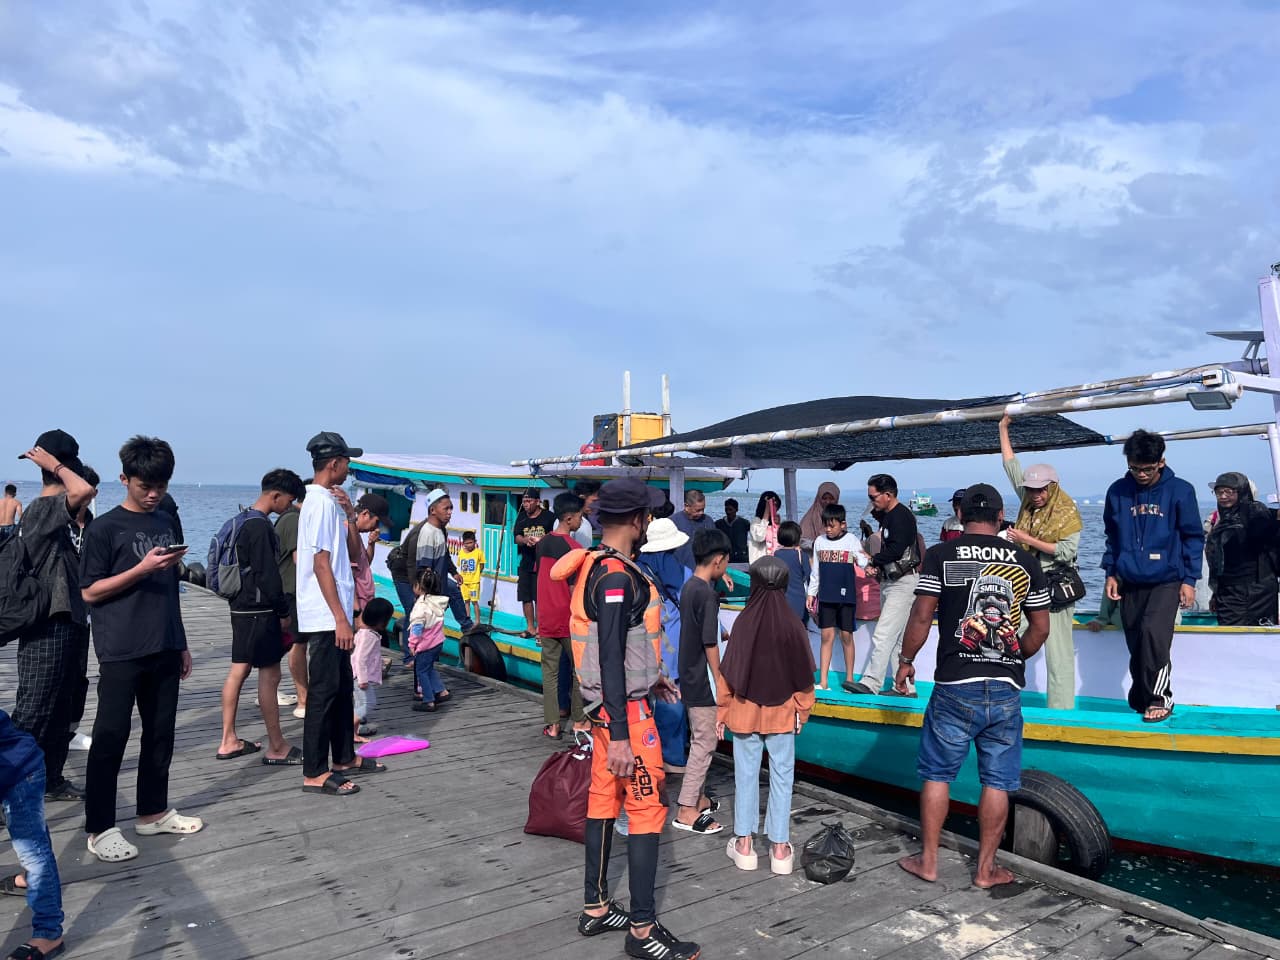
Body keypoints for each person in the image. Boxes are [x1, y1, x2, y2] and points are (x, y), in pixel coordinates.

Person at [550, 478, 698, 960]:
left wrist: (652, 678)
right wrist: (619, 734)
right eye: (648, 515)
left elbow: (616, 648)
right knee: (647, 809)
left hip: (606, 712)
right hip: (625, 721)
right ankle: (642, 929)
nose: (650, 521)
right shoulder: (617, 577)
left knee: (602, 800)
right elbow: (610, 654)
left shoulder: (597, 564)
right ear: (638, 520)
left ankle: (595, 907)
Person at [895, 483, 1051, 888]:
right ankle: (984, 870)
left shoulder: (941, 554)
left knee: (937, 775)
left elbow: (921, 616)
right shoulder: (1025, 561)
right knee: (997, 781)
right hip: (1004, 686)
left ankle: (929, 862)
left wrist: (906, 661)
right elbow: (1040, 628)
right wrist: (1014, 657)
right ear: (1001, 517)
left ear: (961, 516)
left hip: (954, 683)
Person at [80, 435, 204, 862]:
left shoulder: (165, 520)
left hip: (164, 643)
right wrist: (142, 568)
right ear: (124, 479)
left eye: (161, 487)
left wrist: (181, 641)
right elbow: (90, 592)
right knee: (111, 736)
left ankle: (152, 812)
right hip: (121, 646)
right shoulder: (104, 528)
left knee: (160, 733)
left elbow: (170, 588)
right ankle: (99, 827)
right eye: (144, 486)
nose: (153, 495)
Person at [297, 431, 386, 798]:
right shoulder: (317, 503)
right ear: (333, 463)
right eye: (347, 461)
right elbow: (320, 564)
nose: (349, 468)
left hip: (337, 612)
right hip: (325, 615)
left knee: (341, 688)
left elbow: (352, 553)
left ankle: (344, 757)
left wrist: (350, 514)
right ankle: (315, 772)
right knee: (323, 693)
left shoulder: (332, 502)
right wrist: (339, 618)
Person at [719, 555, 815, 875]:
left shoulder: (743, 623)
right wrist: (803, 710)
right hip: (782, 713)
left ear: (754, 584)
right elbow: (803, 676)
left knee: (745, 774)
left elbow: (728, 673)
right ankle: (780, 848)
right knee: (782, 776)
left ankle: (745, 845)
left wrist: (722, 712)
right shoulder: (793, 624)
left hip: (744, 710)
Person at [14, 431, 96, 804]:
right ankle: (7, 790)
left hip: (73, 619)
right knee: (33, 709)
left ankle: (51, 778)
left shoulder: (66, 513)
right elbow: (84, 490)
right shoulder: (42, 508)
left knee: (64, 706)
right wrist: (56, 466)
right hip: (47, 622)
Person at [1101, 430, 1203, 723]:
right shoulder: (1117, 491)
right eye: (1135, 468)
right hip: (1130, 579)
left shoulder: (1181, 491)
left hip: (1167, 579)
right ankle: (1142, 698)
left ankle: (1161, 698)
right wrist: (1111, 573)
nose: (1142, 474)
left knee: (1153, 635)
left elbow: (1193, 537)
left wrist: (1189, 580)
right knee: (1135, 639)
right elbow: (1112, 536)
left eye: (1147, 468)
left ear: (1161, 462)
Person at [216, 469, 307, 765]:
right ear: (276, 495)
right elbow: (268, 575)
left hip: (240, 606)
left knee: (238, 670)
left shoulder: (241, 519)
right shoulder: (260, 527)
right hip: (260, 610)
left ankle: (228, 739)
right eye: (288, 500)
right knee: (270, 674)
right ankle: (277, 746)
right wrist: (283, 612)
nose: (289, 506)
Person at [999, 414, 1083, 711]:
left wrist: (1026, 538)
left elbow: (1066, 551)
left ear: (1053, 487)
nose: (1035, 495)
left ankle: (1061, 711)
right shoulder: (1026, 499)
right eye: (1032, 489)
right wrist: (1003, 428)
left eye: (1041, 489)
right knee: (1007, 637)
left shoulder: (1067, 511)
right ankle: (1003, 694)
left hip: (1055, 585)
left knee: (1058, 654)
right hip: (1025, 583)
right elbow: (1011, 466)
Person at [671, 528, 730, 836]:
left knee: (698, 736)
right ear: (718, 560)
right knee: (705, 742)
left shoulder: (689, 586)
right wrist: (720, 680)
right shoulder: (707, 594)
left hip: (688, 673)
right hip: (703, 678)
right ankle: (685, 808)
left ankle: (699, 798)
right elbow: (710, 642)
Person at [0, 709, 65, 960]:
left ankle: (49, 933)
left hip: (20, 772)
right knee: (37, 846)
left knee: (33, 850)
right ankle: (33, 880)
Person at [854, 474, 920, 695]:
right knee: (898, 638)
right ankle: (904, 687)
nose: (872, 502)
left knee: (883, 633)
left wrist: (873, 560)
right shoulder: (891, 516)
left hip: (902, 583)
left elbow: (896, 550)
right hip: (894, 581)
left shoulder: (901, 517)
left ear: (888, 495)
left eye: (873, 497)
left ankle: (871, 682)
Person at [637, 517, 693, 772]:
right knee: (672, 697)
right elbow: (689, 595)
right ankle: (672, 756)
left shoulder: (637, 566)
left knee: (650, 699)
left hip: (644, 640)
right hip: (671, 641)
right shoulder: (674, 567)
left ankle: (652, 751)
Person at [536, 492, 588, 738]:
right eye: (579, 517)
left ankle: (553, 724)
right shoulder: (575, 548)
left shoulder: (542, 544)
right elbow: (575, 587)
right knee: (579, 671)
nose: (581, 521)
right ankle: (579, 720)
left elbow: (541, 578)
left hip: (546, 614)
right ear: (569, 518)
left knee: (550, 672)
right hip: (568, 617)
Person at [806, 503, 871, 693]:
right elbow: (816, 571)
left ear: (843, 524)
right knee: (826, 636)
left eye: (831, 525)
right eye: (825, 525)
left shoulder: (851, 540)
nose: (828, 529)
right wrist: (811, 593)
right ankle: (823, 681)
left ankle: (849, 680)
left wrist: (871, 563)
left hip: (846, 597)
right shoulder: (819, 541)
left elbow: (863, 561)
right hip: (826, 596)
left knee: (846, 636)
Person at [1205, 471, 1279, 626]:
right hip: (1228, 592)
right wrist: (1216, 594)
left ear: (1241, 491)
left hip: (1257, 590)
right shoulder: (1223, 519)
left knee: (1259, 636)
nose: (1223, 496)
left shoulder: (1255, 511)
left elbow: (1265, 531)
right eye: (1219, 492)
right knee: (1229, 636)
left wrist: (1277, 517)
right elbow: (1219, 564)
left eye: (1229, 492)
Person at [412, 488, 476, 635]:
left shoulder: (440, 530)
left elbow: (445, 555)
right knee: (431, 627)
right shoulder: (428, 533)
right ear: (433, 510)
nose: (450, 512)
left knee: (454, 590)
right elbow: (424, 568)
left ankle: (467, 625)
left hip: (441, 579)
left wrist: (454, 572)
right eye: (446, 509)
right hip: (432, 586)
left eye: (451, 508)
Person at [274, 486, 307, 719]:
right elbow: (299, 559)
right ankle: (303, 699)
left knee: (286, 642)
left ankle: (269, 690)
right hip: (291, 591)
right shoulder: (295, 520)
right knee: (298, 643)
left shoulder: (285, 518)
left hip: (284, 589)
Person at [407, 567, 451, 713]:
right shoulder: (437, 602)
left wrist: (412, 644)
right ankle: (441, 691)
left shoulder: (421, 607)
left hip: (425, 645)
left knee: (421, 672)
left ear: (419, 587)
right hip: (437, 642)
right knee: (429, 668)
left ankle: (429, 700)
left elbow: (417, 628)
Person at [513, 488, 553, 637]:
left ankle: (541, 628)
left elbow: (554, 535)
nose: (525, 504)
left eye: (529, 501)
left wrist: (541, 540)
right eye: (524, 501)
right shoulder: (521, 517)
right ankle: (530, 627)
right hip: (526, 563)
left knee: (540, 598)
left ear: (537, 501)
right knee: (526, 596)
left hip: (543, 563)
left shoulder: (549, 517)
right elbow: (516, 536)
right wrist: (525, 540)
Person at [353, 598, 393, 736]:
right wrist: (363, 679)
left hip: (355, 675)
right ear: (382, 621)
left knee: (360, 702)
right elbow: (360, 658)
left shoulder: (364, 633)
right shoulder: (369, 637)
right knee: (368, 703)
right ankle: (348, 728)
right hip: (359, 677)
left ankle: (357, 728)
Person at [351, 493, 391, 617]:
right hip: (358, 605)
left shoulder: (356, 535)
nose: (376, 527)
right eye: (377, 522)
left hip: (364, 601)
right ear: (365, 514)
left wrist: (371, 544)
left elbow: (365, 563)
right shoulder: (348, 534)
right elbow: (347, 574)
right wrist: (356, 609)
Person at [774, 521, 811, 624]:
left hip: (781, 599)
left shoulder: (777, 554)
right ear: (797, 537)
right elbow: (809, 576)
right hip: (798, 599)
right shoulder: (801, 555)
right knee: (799, 627)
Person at [671, 490, 716, 569]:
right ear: (686, 506)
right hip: (679, 571)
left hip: (703, 571)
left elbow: (715, 548)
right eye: (698, 510)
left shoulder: (708, 521)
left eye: (703, 509)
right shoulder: (673, 522)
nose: (701, 513)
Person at [798, 482, 840, 550]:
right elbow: (801, 541)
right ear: (819, 498)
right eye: (824, 498)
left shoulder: (839, 516)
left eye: (831, 498)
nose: (827, 501)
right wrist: (816, 544)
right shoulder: (810, 517)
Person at [457, 530, 486, 625]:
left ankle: (477, 621)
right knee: (466, 601)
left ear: (475, 542)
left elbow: (482, 565)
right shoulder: (461, 552)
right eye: (466, 543)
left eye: (471, 542)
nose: (469, 545)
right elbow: (460, 565)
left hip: (474, 582)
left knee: (474, 602)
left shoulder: (479, 552)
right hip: (464, 583)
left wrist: (477, 575)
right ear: (463, 543)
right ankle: (468, 619)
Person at [748, 490, 782, 563]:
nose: (775, 511)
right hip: (759, 565)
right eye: (773, 507)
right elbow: (759, 536)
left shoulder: (774, 523)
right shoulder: (755, 522)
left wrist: (777, 526)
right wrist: (767, 510)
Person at [715, 498, 750, 564]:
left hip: (741, 558)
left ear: (736, 510)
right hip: (724, 558)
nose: (728, 512)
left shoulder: (745, 523)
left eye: (730, 510)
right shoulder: (718, 524)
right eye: (726, 509)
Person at [572, 479, 603, 550]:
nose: (598, 505)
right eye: (594, 501)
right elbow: (584, 553)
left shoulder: (561, 519)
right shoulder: (582, 524)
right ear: (582, 498)